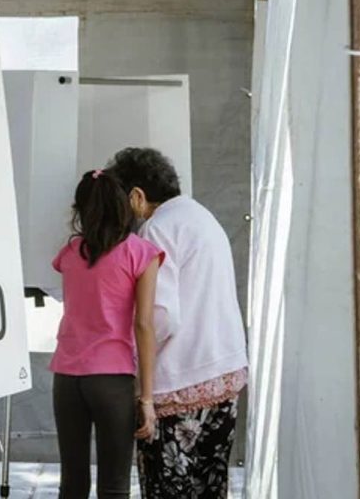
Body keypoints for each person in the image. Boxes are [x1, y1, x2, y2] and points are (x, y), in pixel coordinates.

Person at [106, 148, 248, 499]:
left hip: (181, 380)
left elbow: (159, 316)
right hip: (226, 370)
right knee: (210, 487)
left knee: (166, 488)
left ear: (137, 196)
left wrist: (139, 381)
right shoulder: (201, 216)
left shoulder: (156, 231)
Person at [50, 168, 164, 499]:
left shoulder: (70, 254)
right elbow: (143, 324)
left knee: (72, 483)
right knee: (114, 488)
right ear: (124, 206)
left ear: (79, 210)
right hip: (111, 380)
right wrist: (147, 399)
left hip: (66, 378)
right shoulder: (141, 253)